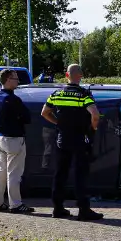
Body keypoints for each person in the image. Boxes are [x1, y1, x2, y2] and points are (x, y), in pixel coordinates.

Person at [41, 63, 103, 221]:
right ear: (80, 76)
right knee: (80, 175)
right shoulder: (84, 94)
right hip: (80, 139)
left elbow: (44, 112)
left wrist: (58, 123)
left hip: (62, 139)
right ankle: (83, 210)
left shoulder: (56, 94)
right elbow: (95, 115)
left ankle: (58, 208)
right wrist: (93, 129)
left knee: (60, 174)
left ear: (66, 75)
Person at [0, 68, 34, 214]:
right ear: (8, 80)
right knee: (14, 173)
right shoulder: (13, 99)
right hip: (14, 139)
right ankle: (15, 204)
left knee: (1, 171)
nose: (18, 81)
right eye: (15, 79)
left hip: (0, 137)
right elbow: (27, 117)